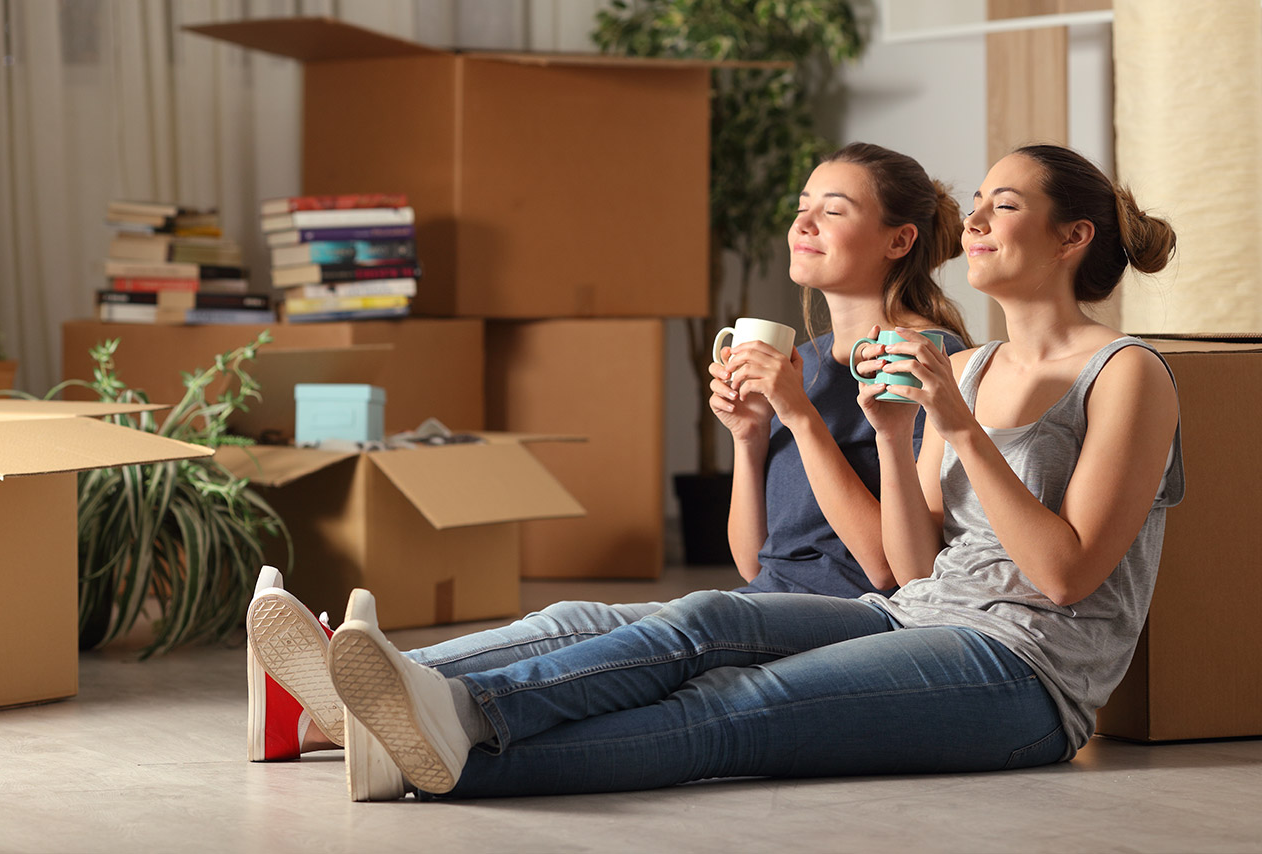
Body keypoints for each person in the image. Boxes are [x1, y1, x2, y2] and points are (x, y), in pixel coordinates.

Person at [322, 142, 1184, 800]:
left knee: (733, 711)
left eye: (1005, 206)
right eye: (981, 207)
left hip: (1025, 674)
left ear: (1073, 237)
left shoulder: (1127, 374)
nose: (979, 223)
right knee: (700, 619)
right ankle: (443, 703)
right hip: (911, 616)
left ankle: (448, 755)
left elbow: (1067, 576)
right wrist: (894, 431)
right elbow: (915, 569)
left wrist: (956, 432)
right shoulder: (967, 369)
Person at [245, 143, 972, 773]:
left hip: (852, 620)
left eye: (834, 210)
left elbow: (891, 571)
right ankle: (338, 688)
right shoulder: (804, 362)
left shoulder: (927, 361)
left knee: (671, 624)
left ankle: (368, 697)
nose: (803, 223)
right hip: (766, 600)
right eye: (803, 204)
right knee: (576, 618)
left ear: (898, 240)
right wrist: (749, 443)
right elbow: (759, 563)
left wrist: (797, 417)